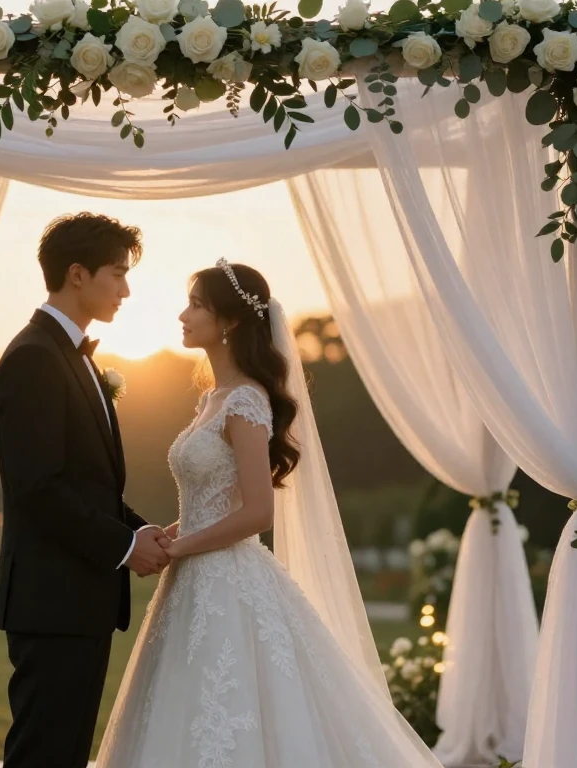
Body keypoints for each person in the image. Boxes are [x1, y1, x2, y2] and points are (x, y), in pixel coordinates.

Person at [95, 259, 446, 768]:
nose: (182, 315)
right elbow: (214, 497)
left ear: (231, 321)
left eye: (196, 305)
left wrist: (179, 548)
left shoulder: (245, 403)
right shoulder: (210, 399)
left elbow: (258, 512)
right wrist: (169, 533)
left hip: (224, 577)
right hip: (193, 578)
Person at [0, 212, 173, 768]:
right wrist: (123, 547)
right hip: (52, 601)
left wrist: (140, 530)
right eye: (116, 274)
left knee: (65, 754)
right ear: (77, 274)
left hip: (78, 598)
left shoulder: (73, 358)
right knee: (43, 754)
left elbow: (86, 485)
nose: (126, 289)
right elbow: (39, 490)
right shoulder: (34, 359)